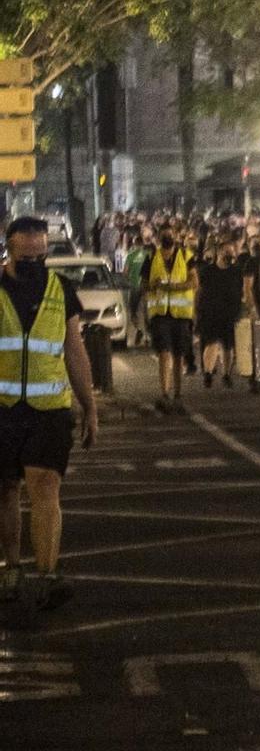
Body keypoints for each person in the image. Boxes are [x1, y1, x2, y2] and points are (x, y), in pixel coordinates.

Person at [0, 218, 98, 614]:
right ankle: (9, 569)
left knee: (45, 487)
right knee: (5, 491)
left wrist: (89, 406)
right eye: (27, 256)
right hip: (3, 409)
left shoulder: (62, 291)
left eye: (42, 255)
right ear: (8, 249)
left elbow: (75, 351)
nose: (35, 262)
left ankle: (46, 575)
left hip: (48, 411)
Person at [144, 226, 197, 414]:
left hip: (181, 314)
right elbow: (144, 285)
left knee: (178, 355)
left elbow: (194, 282)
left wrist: (175, 286)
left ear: (176, 238)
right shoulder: (151, 257)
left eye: (171, 234)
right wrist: (153, 285)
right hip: (160, 314)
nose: (168, 237)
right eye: (165, 234)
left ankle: (178, 394)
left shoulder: (185, 255)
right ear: (159, 238)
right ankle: (164, 393)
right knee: (164, 353)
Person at [194, 235, 246, 388]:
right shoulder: (207, 271)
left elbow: (242, 290)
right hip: (210, 312)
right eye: (226, 252)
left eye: (232, 253)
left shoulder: (236, 271)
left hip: (230, 312)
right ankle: (208, 373)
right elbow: (199, 291)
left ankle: (226, 374)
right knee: (211, 343)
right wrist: (196, 310)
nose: (229, 256)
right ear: (219, 253)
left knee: (228, 346)